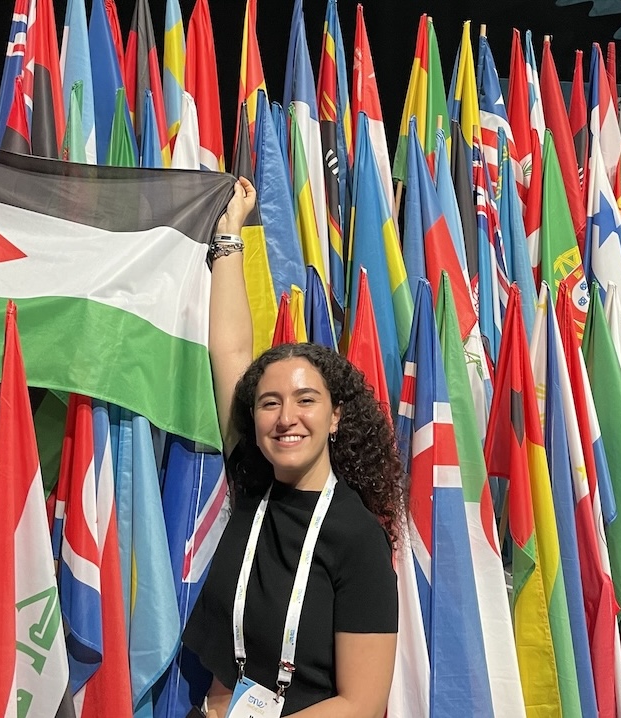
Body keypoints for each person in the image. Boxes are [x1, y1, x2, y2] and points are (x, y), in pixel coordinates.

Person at [181, 177, 402, 718]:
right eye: (269, 403)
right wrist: (230, 233)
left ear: (336, 417)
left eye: (306, 400)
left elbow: (363, 703)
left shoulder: (357, 539)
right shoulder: (253, 480)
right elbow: (230, 350)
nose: (286, 418)